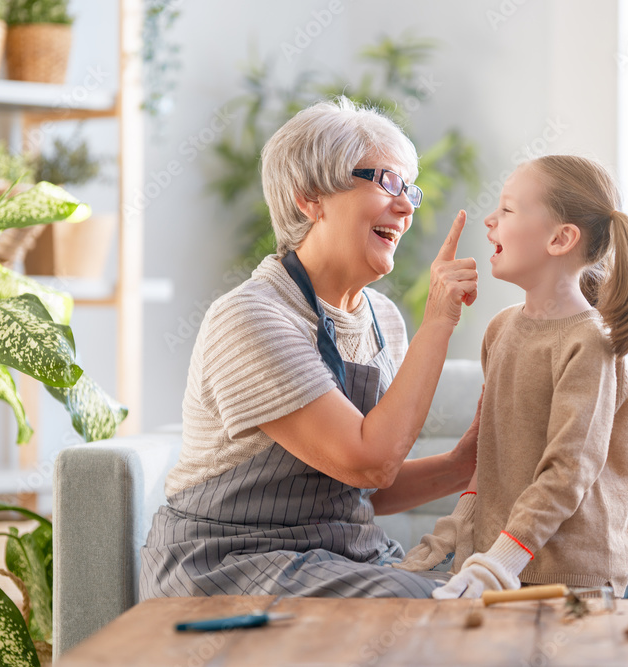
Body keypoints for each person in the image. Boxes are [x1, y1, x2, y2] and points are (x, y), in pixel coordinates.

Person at [139, 97, 480, 600]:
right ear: (310, 197)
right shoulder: (251, 317)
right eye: (386, 181)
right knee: (431, 608)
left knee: (482, 595)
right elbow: (370, 462)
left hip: (339, 556)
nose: (406, 206)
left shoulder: (383, 320)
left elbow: (363, 488)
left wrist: (463, 464)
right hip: (231, 560)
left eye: (409, 189)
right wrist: (440, 319)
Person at [394, 154, 628, 599]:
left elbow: (570, 471)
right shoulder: (500, 329)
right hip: (500, 567)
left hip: (574, 579)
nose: (490, 221)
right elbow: (489, 461)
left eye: (508, 210)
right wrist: (451, 537)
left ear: (560, 238)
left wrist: (500, 560)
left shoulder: (588, 344)